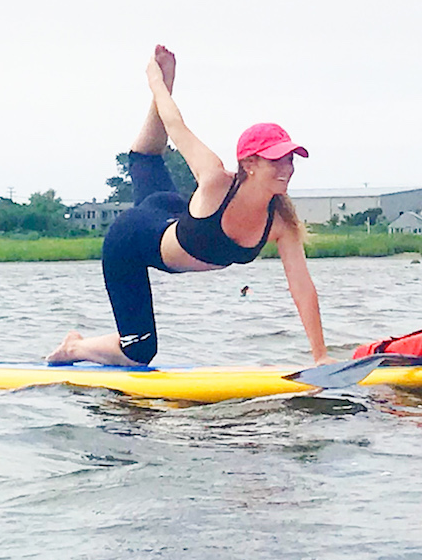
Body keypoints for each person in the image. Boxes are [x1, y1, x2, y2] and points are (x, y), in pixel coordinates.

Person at [46, 45, 330, 367]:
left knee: (146, 159)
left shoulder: (280, 221)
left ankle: (80, 347)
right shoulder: (215, 179)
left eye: (289, 160)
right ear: (249, 164)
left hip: (169, 211)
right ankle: (74, 347)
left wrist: (320, 356)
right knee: (139, 352)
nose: (287, 169)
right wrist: (158, 82)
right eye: (276, 161)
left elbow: (303, 289)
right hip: (132, 241)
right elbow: (175, 125)